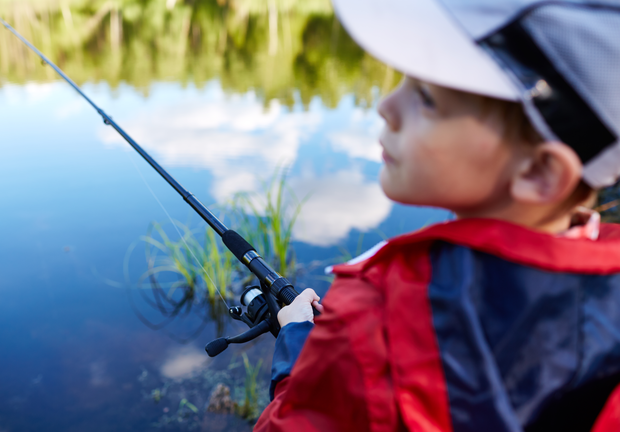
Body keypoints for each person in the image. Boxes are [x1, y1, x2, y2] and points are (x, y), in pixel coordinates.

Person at [254, 0, 619, 431]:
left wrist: (298, 347)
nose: (386, 106)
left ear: (540, 172)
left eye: (426, 97)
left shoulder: (374, 316)